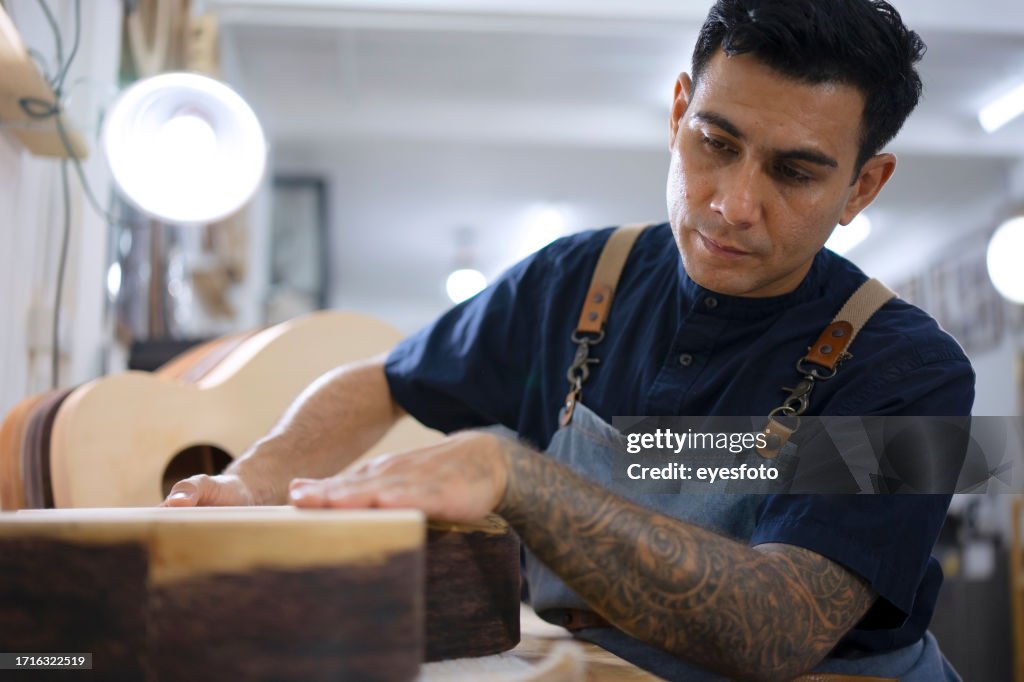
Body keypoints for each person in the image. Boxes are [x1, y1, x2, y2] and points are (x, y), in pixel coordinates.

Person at [164, 1, 974, 680]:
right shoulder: (579, 280)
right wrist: (252, 481)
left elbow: (779, 629)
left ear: (862, 186)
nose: (733, 203)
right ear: (678, 112)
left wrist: (516, 477)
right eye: (716, 143)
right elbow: (381, 381)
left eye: (793, 172)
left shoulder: (916, 375)